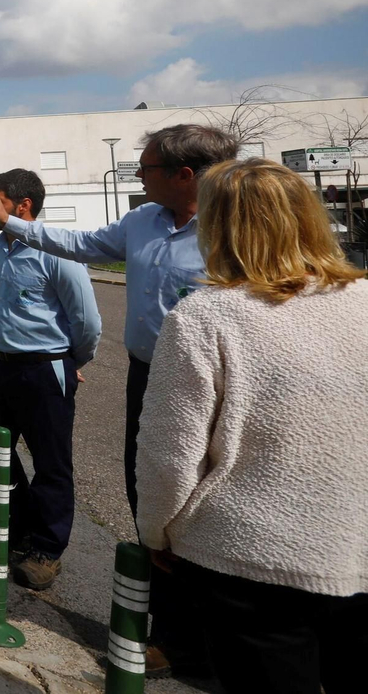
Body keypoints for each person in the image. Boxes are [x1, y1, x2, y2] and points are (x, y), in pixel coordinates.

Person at [0, 124, 238, 673]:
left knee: (217, 503)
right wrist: (13, 225)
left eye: (145, 169)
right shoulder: (143, 222)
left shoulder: (236, 226)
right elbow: (82, 244)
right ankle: (175, 633)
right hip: (151, 377)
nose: (137, 178)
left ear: (185, 175)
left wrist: (69, 364)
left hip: (224, 383)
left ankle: (218, 633)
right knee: (153, 499)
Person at [135, 158, 368, 694]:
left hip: (251, 561)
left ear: (219, 227)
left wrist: (157, 529)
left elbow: (171, 453)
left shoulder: (204, 318)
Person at [0, 169, 101, 591]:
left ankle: (47, 549)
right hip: (0, 364)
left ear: (21, 206)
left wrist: (67, 361)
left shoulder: (56, 252)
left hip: (46, 367)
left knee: (51, 460)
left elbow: (87, 321)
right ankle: (18, 525)